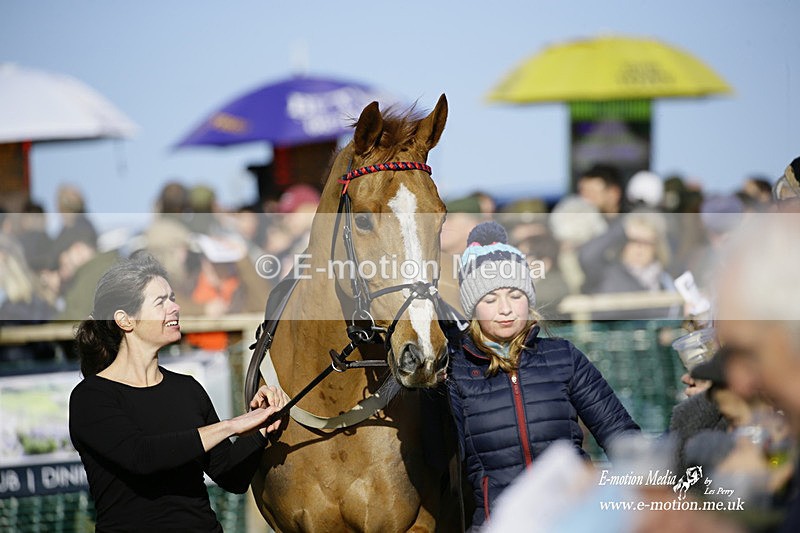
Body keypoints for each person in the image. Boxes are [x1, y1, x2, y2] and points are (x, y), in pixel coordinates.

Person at [69, 252, 288, 532]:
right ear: (125, 320)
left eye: (172, 298)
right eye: (161, 302)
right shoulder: (91, 397)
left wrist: (260, 424)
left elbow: (231, 476)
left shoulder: (187, 389)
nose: (175, 308)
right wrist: (232, 426)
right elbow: (142, 457)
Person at [447, 221, 640, 528]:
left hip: (575, 520)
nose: (506, 309)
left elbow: (620, 433)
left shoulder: (563, 356)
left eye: (515, 295)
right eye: (490, 299)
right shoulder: (456, 374)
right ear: (472, 307)